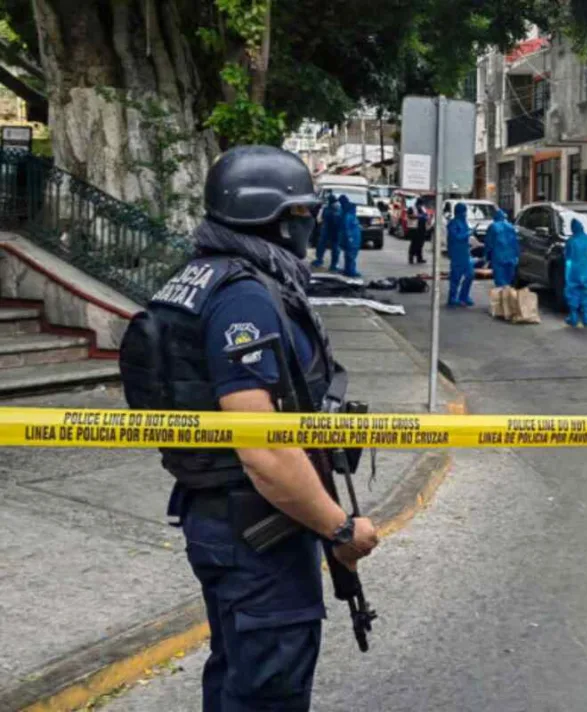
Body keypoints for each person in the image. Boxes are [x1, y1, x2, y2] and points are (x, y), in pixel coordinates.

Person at [120, 146, 379, 711]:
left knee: (237, 674)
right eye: (302, 214)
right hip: (258, 527)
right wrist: (338, 529)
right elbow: (263, 448)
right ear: (277, 219)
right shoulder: (244, 297)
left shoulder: (197, 277)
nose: (308, 225)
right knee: (267, 690)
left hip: (221, 516)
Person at [564, 217, 587, 328]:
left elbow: (567, 256)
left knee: (573, 291)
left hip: (574, 270)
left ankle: (573, 316)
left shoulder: (571, 241)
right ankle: (586, 317)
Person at [447, 202, 475, 307]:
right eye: (464, 211)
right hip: (456, 254)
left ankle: (464, 296)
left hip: (465, 253)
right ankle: (452, 298)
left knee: (470, 274)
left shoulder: (464, 222)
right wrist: (468, 233)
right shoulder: (453, 223)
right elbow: (456, 237)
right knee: (456, 277)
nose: (465, 214)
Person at [484, 209, 519, 287]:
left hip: (498, 257)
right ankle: (507, 295)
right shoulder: (510, 226)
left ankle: (502, 296)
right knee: (508, 280)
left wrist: (486, 256)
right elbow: (515, 242)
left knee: (500, 281)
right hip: (511, 257)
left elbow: (489, 243)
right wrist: (517, 256)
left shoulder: (493, 227)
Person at [312, 192, 340, 269]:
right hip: (335, 231)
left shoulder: (325, 208)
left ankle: (319, 261)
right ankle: (334, 265)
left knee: (321, 245)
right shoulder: (339, 209)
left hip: (326, 229)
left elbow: (319, 220)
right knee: (335, 247)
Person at [338, 194, 362, 278]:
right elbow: (346, 228)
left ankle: (348, 270)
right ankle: (351, 271)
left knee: (350, 256)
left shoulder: (350, 215)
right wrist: (350, 238)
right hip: (352, 240)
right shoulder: (348, 216)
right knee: (350, 256)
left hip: (353, 239)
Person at [409, 197, 428, 265]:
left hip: (422, 228)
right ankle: (411, 257)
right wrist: (418, 216)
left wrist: (426, 217)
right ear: (417, 203)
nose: (421, 206)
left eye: (421, 204)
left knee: (421, 243)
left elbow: (426, 216)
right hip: (414, 228)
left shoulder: (423, 208)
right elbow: (410, 216)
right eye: (420, 204)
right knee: (414, 243)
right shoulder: (412, 208)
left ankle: (419, 258)